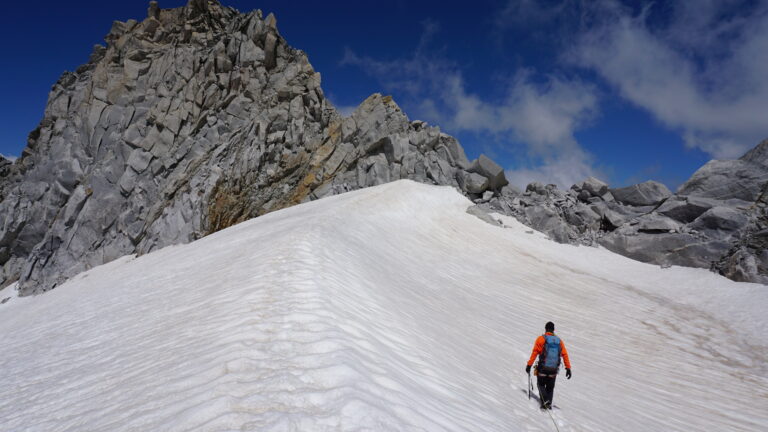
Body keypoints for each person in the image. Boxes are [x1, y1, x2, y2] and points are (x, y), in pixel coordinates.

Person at [525, 321, 571, 409]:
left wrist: (529, 365)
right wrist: (568, 368)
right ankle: (548, 403)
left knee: (540, 384)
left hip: (542, 368)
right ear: (553, 330)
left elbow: (534, 353)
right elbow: (565, 354)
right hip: (553, 370)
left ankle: (545, 401)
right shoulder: (559, 341)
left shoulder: (541, 339)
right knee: (550, 387)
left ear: (545, 329)